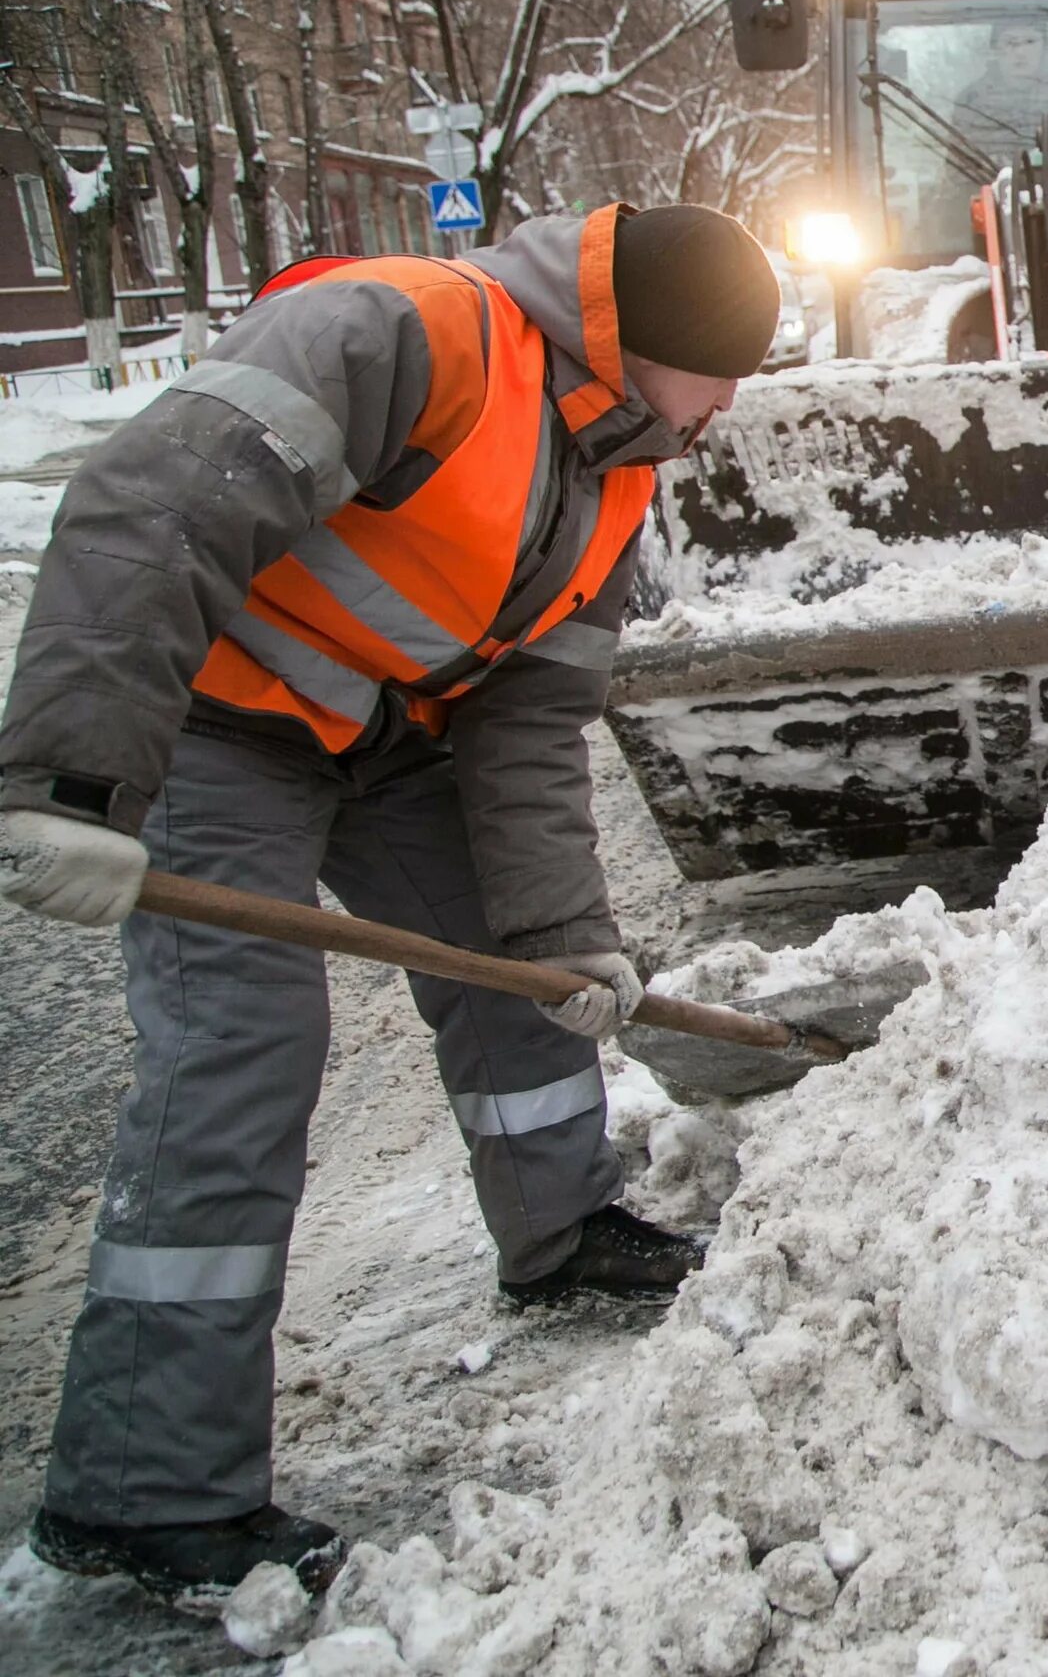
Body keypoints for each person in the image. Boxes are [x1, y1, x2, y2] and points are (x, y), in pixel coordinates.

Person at [0, 203, 783, 1599]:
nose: (726, 406)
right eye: (719, 374)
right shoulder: (405, 332)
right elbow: (153, 505)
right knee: (240, 1053)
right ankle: (144, 1485)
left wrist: (565, 937)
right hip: (212, 721)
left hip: (377, 733)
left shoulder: (619, 470)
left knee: (512, 973)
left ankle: (561, 1230)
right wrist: (70, 787)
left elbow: (533, 724)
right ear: (639, 344)